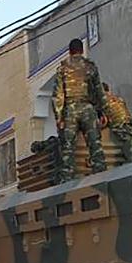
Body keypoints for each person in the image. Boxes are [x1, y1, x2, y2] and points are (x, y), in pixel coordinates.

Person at [52, 38, 107, 183]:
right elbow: (99, 92)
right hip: (88, 108)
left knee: (68, 147)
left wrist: (59, 118)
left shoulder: (62, 69)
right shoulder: (90, 67)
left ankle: (67, 179)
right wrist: (102, 112)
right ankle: (100, 174)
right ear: (82, 50)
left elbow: (58, 96)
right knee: (95, 143)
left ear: (70, 52)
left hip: (70, 110)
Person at [102, 83, 132, 164]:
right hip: (127, 121)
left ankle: (131, 163)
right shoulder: (118, 98)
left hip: (119, 124)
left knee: (126, 146)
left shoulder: (102, 99)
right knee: (129, 142)